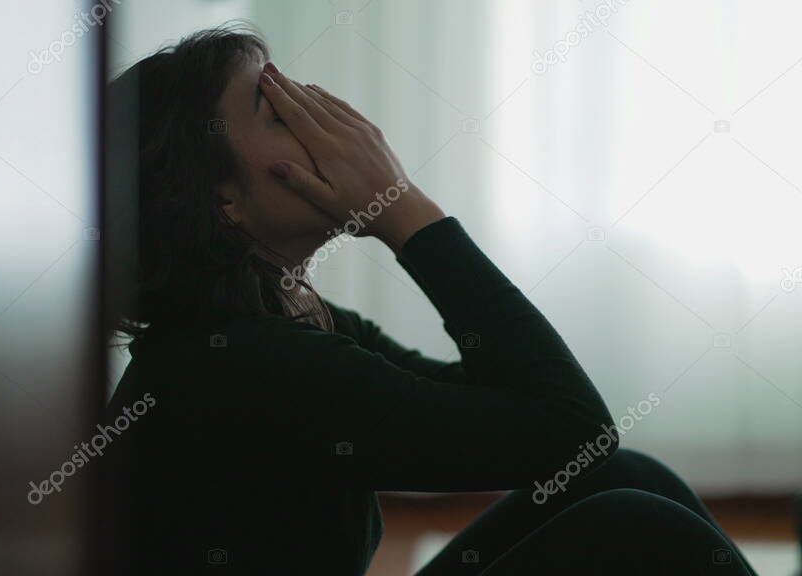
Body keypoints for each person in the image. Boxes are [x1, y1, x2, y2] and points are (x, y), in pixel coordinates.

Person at [101, 25, 757, 575]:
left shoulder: (279, 320)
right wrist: (404, 212)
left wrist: (401, 207)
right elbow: (572, 428)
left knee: (625, 479)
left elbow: (531, 418)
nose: (329, 127)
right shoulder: (247, 363)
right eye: (280, 113)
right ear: (225, 202)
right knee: (635, 522)